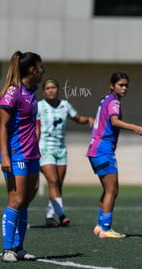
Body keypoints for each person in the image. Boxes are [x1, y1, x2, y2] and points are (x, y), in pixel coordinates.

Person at [87, 72, 142, 239]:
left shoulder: (106, 99)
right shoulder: (113, 102)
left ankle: (100, 225)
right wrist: (135, 127)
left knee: (108, 190)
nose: (124, 88)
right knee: (112, 190)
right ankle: (106, 228)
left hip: (95, 149)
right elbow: (114, 121)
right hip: (102, 150)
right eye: (121, 85)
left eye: (126, 85)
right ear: (112, 85)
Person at [0, 51, 44, 262]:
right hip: (16, 153)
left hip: (32, 154)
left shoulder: (32, 92)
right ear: (32, 69)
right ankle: (7, 249)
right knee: (15, 200)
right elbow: (2, 126)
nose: (43, 70)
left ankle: (19, 247)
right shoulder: (13, 92)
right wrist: (4, 157)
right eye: (41, 67)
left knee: (26, 200)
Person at [36, 78, 94, 228]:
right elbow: (35, 128)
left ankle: (49, 217)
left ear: (58, 90)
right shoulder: (39, 106)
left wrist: (87, 119)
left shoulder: (65, 105)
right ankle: (61, 215)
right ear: (43, 91)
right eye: (48, 88)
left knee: (58, 184)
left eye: (53, 87)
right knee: (53, 181)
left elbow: (77, 118)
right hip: (44, 149)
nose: (51, 90)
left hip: (61, 149)